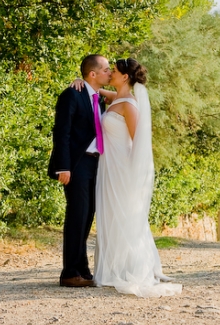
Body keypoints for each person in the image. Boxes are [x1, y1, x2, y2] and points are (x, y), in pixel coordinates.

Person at [73, 58, 182, 297]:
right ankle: (113, 267)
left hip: (122, 168)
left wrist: (134, 175)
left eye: (115, 71)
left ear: (125, 77)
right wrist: (80, 81)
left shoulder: (130, 105)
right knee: (110, 215)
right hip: (108, 166)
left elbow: (139, 142)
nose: (110, 72)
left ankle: (128, 269)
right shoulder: (116, 98)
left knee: (125, 215)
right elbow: (96, 90)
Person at [48, 54, 112, 287]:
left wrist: (83, 81)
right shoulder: (70, 95)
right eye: (106, 69)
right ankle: (69, 273)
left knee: (87, 216)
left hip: (96, 164)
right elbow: (61, 132)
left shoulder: (98, 98)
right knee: (77, 216)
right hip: (76, 164)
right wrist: (63, 167)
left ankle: (82, 270)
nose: (110, 72)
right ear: (93, 73)